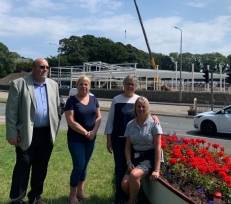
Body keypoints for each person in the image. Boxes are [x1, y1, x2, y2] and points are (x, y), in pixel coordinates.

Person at [5, 58, 62, 204]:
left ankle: (35, 197)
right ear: (33, 68)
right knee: (23, 165)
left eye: (47, 67)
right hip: (26, 133)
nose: (45, 69)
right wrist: (12, 133)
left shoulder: (53, 85)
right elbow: (11, 111)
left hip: (46, 133)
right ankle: (17, 199)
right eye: (42, 66)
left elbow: (56, 108)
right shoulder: (19, 84)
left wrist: (55, 126)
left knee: (41, 166)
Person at [104, 74, 159, 204]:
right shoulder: (116, 100)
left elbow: (145, 114)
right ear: (123, 85)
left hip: (135, 142)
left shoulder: (138, 100)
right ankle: (119, 198)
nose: (130, 86)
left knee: (130, 169)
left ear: (136, 86)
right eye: (128, 83)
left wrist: (155, 116)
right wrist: (109, 139)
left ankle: (130, 198)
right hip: (119, 140)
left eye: (133, 84)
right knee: (119, 169)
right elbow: (110, 121)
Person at [64, 75, 101, 204]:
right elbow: (71, 121)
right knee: (78, 165)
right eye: (81, 84)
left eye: (86, 84)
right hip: (76, 139)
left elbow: (98, 118)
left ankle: (80, 191)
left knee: (84, 166)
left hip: (91, 138)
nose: (84, 86)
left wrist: (93, 132)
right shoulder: (71, 101)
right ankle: (72, 195)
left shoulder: (94, 99)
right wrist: (86, 132)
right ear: (76, 86)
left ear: (89, 86)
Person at [122, 96, 163, 204]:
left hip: (149, 156)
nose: (141, 109)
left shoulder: (154, 123)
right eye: (138, 106)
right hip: (136, 156)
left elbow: (158, 148)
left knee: (134, 175)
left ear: (147, 108)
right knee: (124, 185)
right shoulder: (130, 125)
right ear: (135, 108)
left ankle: (131, 202)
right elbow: (127, 147)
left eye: (143, 107)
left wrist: (157, 170)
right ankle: (138, 199)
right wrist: (129, 162)